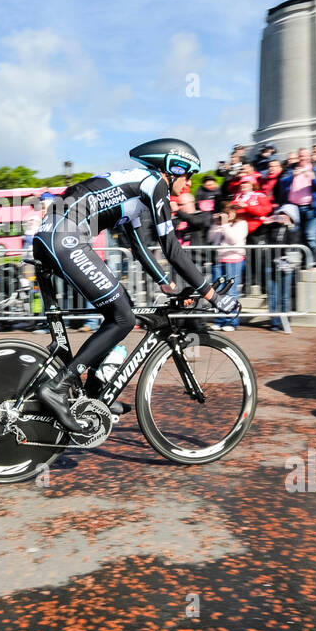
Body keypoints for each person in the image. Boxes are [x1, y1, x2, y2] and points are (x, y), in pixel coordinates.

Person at [31, 138, 233, 433]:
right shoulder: (155, 184)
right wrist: (211, 294)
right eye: (188, 175)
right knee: (124, 316)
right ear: (172, 169)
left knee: (120, 307)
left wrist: (167, 284)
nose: (189, 183)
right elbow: (171, 248)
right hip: (66, 237)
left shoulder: (137, 192)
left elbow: (139, 247)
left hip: (52, 235)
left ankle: (96, 389)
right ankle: (58, 388)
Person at [208, 206, 248, 331]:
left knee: (231, 292)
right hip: (219, 261)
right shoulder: (221, 225)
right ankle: (220, 320)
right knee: (218, 292)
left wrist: (225, 225)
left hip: (234, 260)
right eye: (224, 212)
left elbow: (233, 239)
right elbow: (210, 239)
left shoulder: (241, 224)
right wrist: (215, 224)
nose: (226, 215)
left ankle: (231, 322)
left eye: (228, 212)